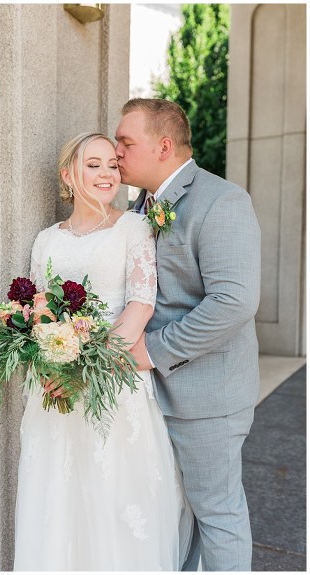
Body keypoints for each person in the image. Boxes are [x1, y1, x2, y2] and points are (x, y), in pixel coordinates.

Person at [14, 132, 193, 571]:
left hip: (112, 380)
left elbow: (140, 303)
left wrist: (88, 369)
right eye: (93, 165)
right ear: (67, 175)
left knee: (115, 501)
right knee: (58, 499)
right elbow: (36, 307)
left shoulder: (133, 227)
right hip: (54, 387)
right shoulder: (46, 240)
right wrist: (50, 360)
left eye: (112, 164)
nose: (106, 173)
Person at [116, 98, 261, 571]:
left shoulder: (222, 201)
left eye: (125, 142)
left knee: (217, 516)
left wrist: (152, 350)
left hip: (208, 398)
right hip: (153, 395)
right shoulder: (139, 207)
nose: (117, 151)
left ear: (162, 146)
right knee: (177, 518)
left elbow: (233, 302)